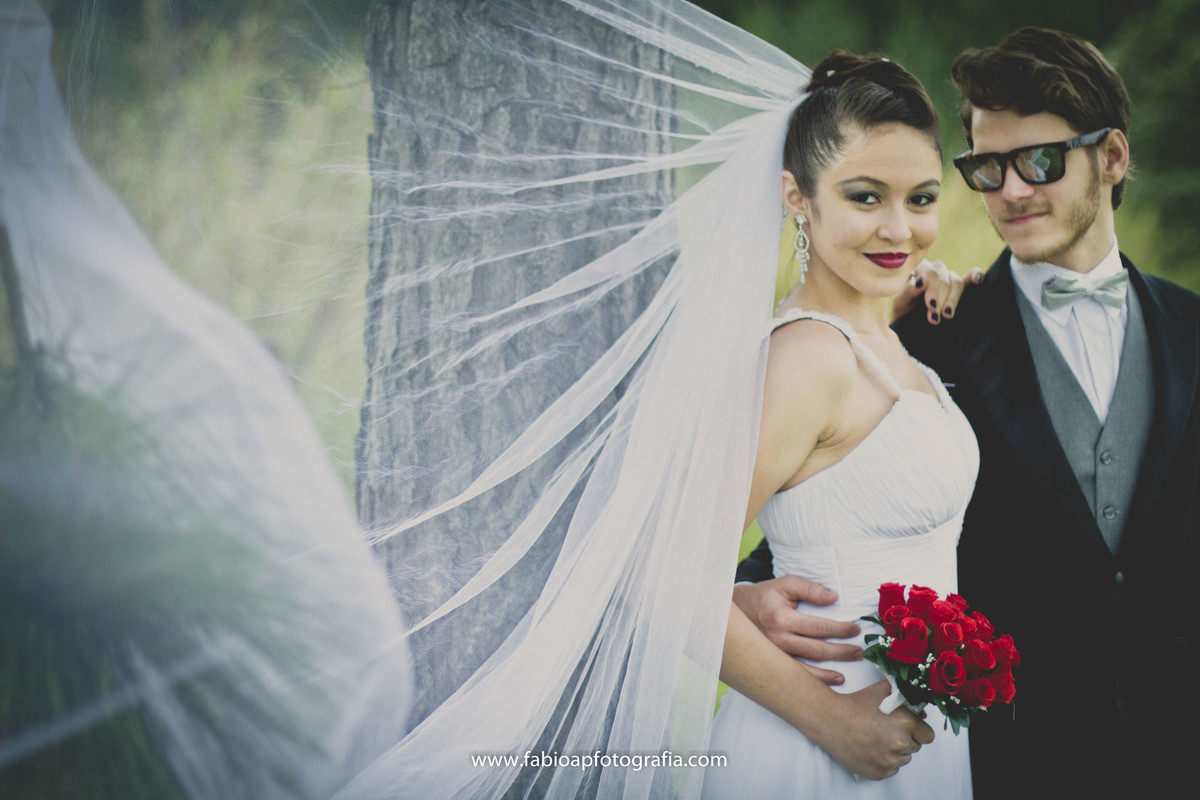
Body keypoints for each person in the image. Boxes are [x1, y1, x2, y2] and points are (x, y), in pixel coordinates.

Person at [736, 27, 1200, 798]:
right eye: (987, 167)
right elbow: (816, 514)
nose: (1011, 191)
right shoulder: (928, 333)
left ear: (1111, 158)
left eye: (1040, 161)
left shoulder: (1193, 331)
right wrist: (739, 598)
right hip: (1000, 762)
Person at [702, 50, 978, 799]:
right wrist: (831, 722)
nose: (900, 228)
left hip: (915, 745)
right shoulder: (809, 359)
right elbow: (660, 579)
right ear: (798, 197)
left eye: (921, 198)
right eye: (865, 197)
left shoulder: (882, 334)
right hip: (815, 750)